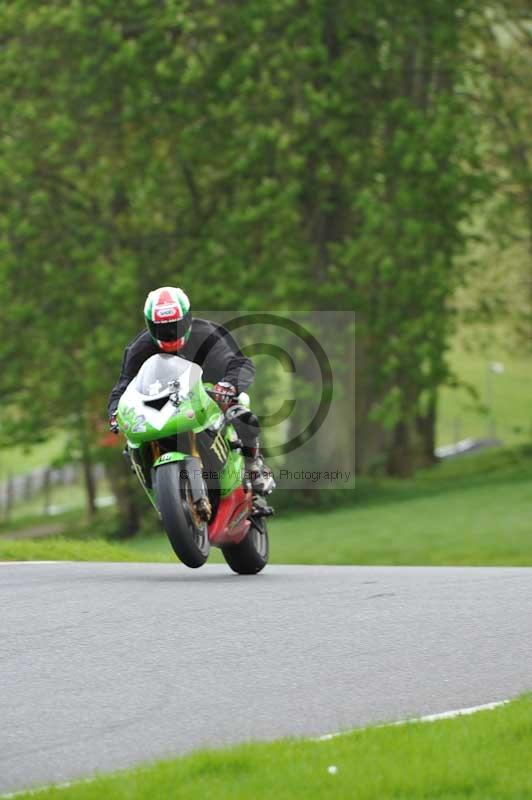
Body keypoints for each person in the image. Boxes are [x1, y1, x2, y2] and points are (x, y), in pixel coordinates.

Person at [107, 286, 274, 495]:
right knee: (131, 444)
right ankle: (162, 489)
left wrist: (229, 385)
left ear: (188, 318)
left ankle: (253, 465)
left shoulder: (207, 334)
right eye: (161, 328)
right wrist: (115, 412)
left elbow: (241, 364)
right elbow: (123, 387)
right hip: (165, 406)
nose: (169, 334)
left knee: (240, 412)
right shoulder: (139, 349)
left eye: (176, 326)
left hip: (209, 394)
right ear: (150, 325)